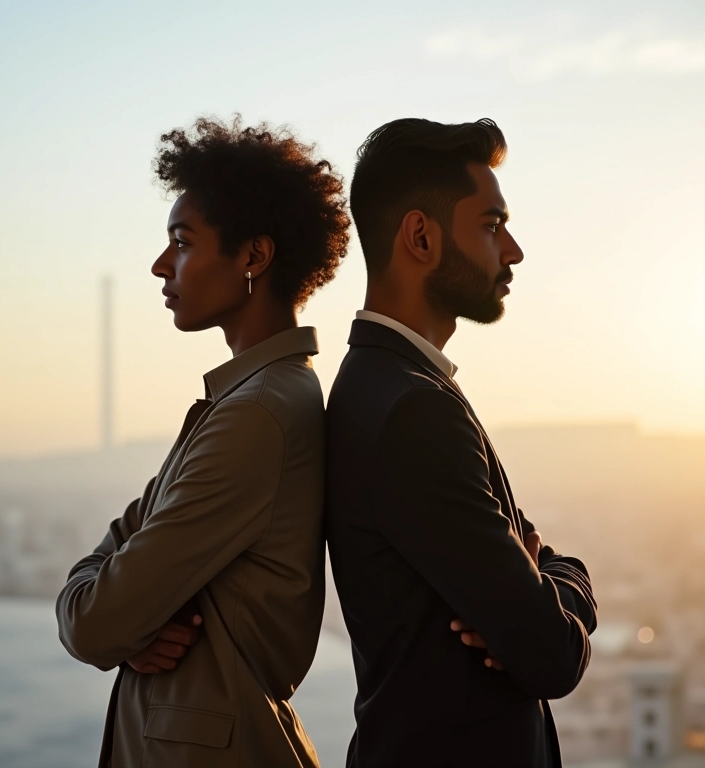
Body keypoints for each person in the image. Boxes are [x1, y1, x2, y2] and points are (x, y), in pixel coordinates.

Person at [56, 116, 350, 768]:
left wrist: (108, 608)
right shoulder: (253, 399)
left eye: (183, 242)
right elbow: (122, 564)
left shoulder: (257, 416)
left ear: (253, 256)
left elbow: (95, 621)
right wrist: (123, 613)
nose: (161, 264)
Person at [325, 117, 597, 767]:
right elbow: (553, 655)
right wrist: (552, 599)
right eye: (492, 225)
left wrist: (545, 584)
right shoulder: (412, 409)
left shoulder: (391, 384)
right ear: (421, 236)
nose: (514, 252)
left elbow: (551, 575)